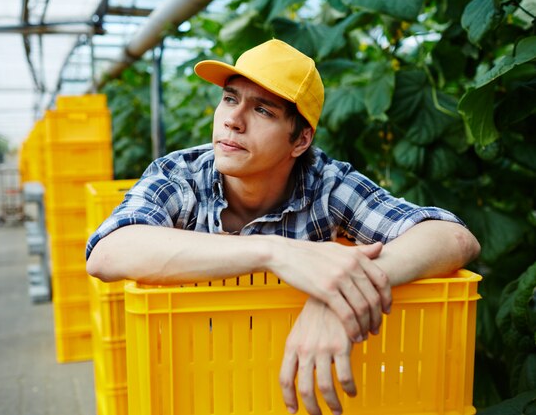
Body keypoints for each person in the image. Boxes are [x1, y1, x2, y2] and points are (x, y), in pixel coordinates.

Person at [86, 39, 480, 415]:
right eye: (229, 99)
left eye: (263, 111)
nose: (233, 121)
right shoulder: (181, 175)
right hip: (193, 384)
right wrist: (274, 252)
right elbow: (107, 252)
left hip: (292, 384)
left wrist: (338, 294)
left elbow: (452, 237)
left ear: (301, 140)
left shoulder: (326, 184)